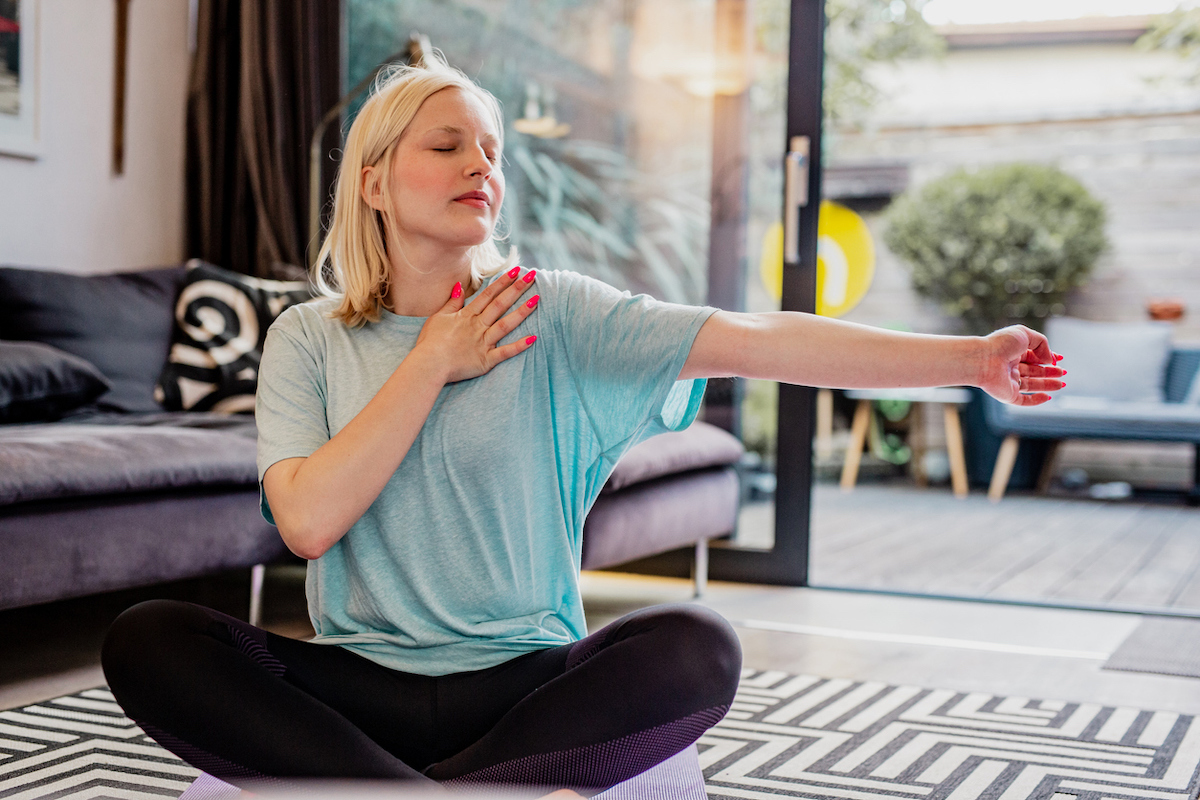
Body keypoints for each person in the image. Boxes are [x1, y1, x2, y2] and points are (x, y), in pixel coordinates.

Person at [100, 54, 1065, 797]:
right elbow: (309, 524)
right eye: (447, 146)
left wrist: (971, 362)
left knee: (698, 643)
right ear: (374, 182)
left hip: (527, 690)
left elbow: (759, 337)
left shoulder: (553, 313)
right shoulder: (309, 338)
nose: (481, 165)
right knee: (150, 638)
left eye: (491, 151)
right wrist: (433, 359)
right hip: (361, 682)